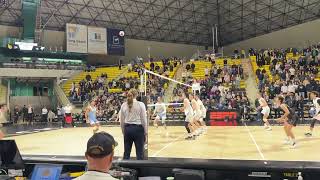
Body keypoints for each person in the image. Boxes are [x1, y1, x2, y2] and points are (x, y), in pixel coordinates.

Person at [119, 89, 147, 160]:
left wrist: (123, 131)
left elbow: (121, 121)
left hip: (127, 129)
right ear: (136, 95)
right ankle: (140, 170)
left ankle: (125, 169)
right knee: (140, 153)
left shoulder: (123, 105)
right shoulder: (141, 104)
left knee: (126, 152)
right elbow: (144, 120)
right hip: (138, 129)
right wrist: (145, 131)